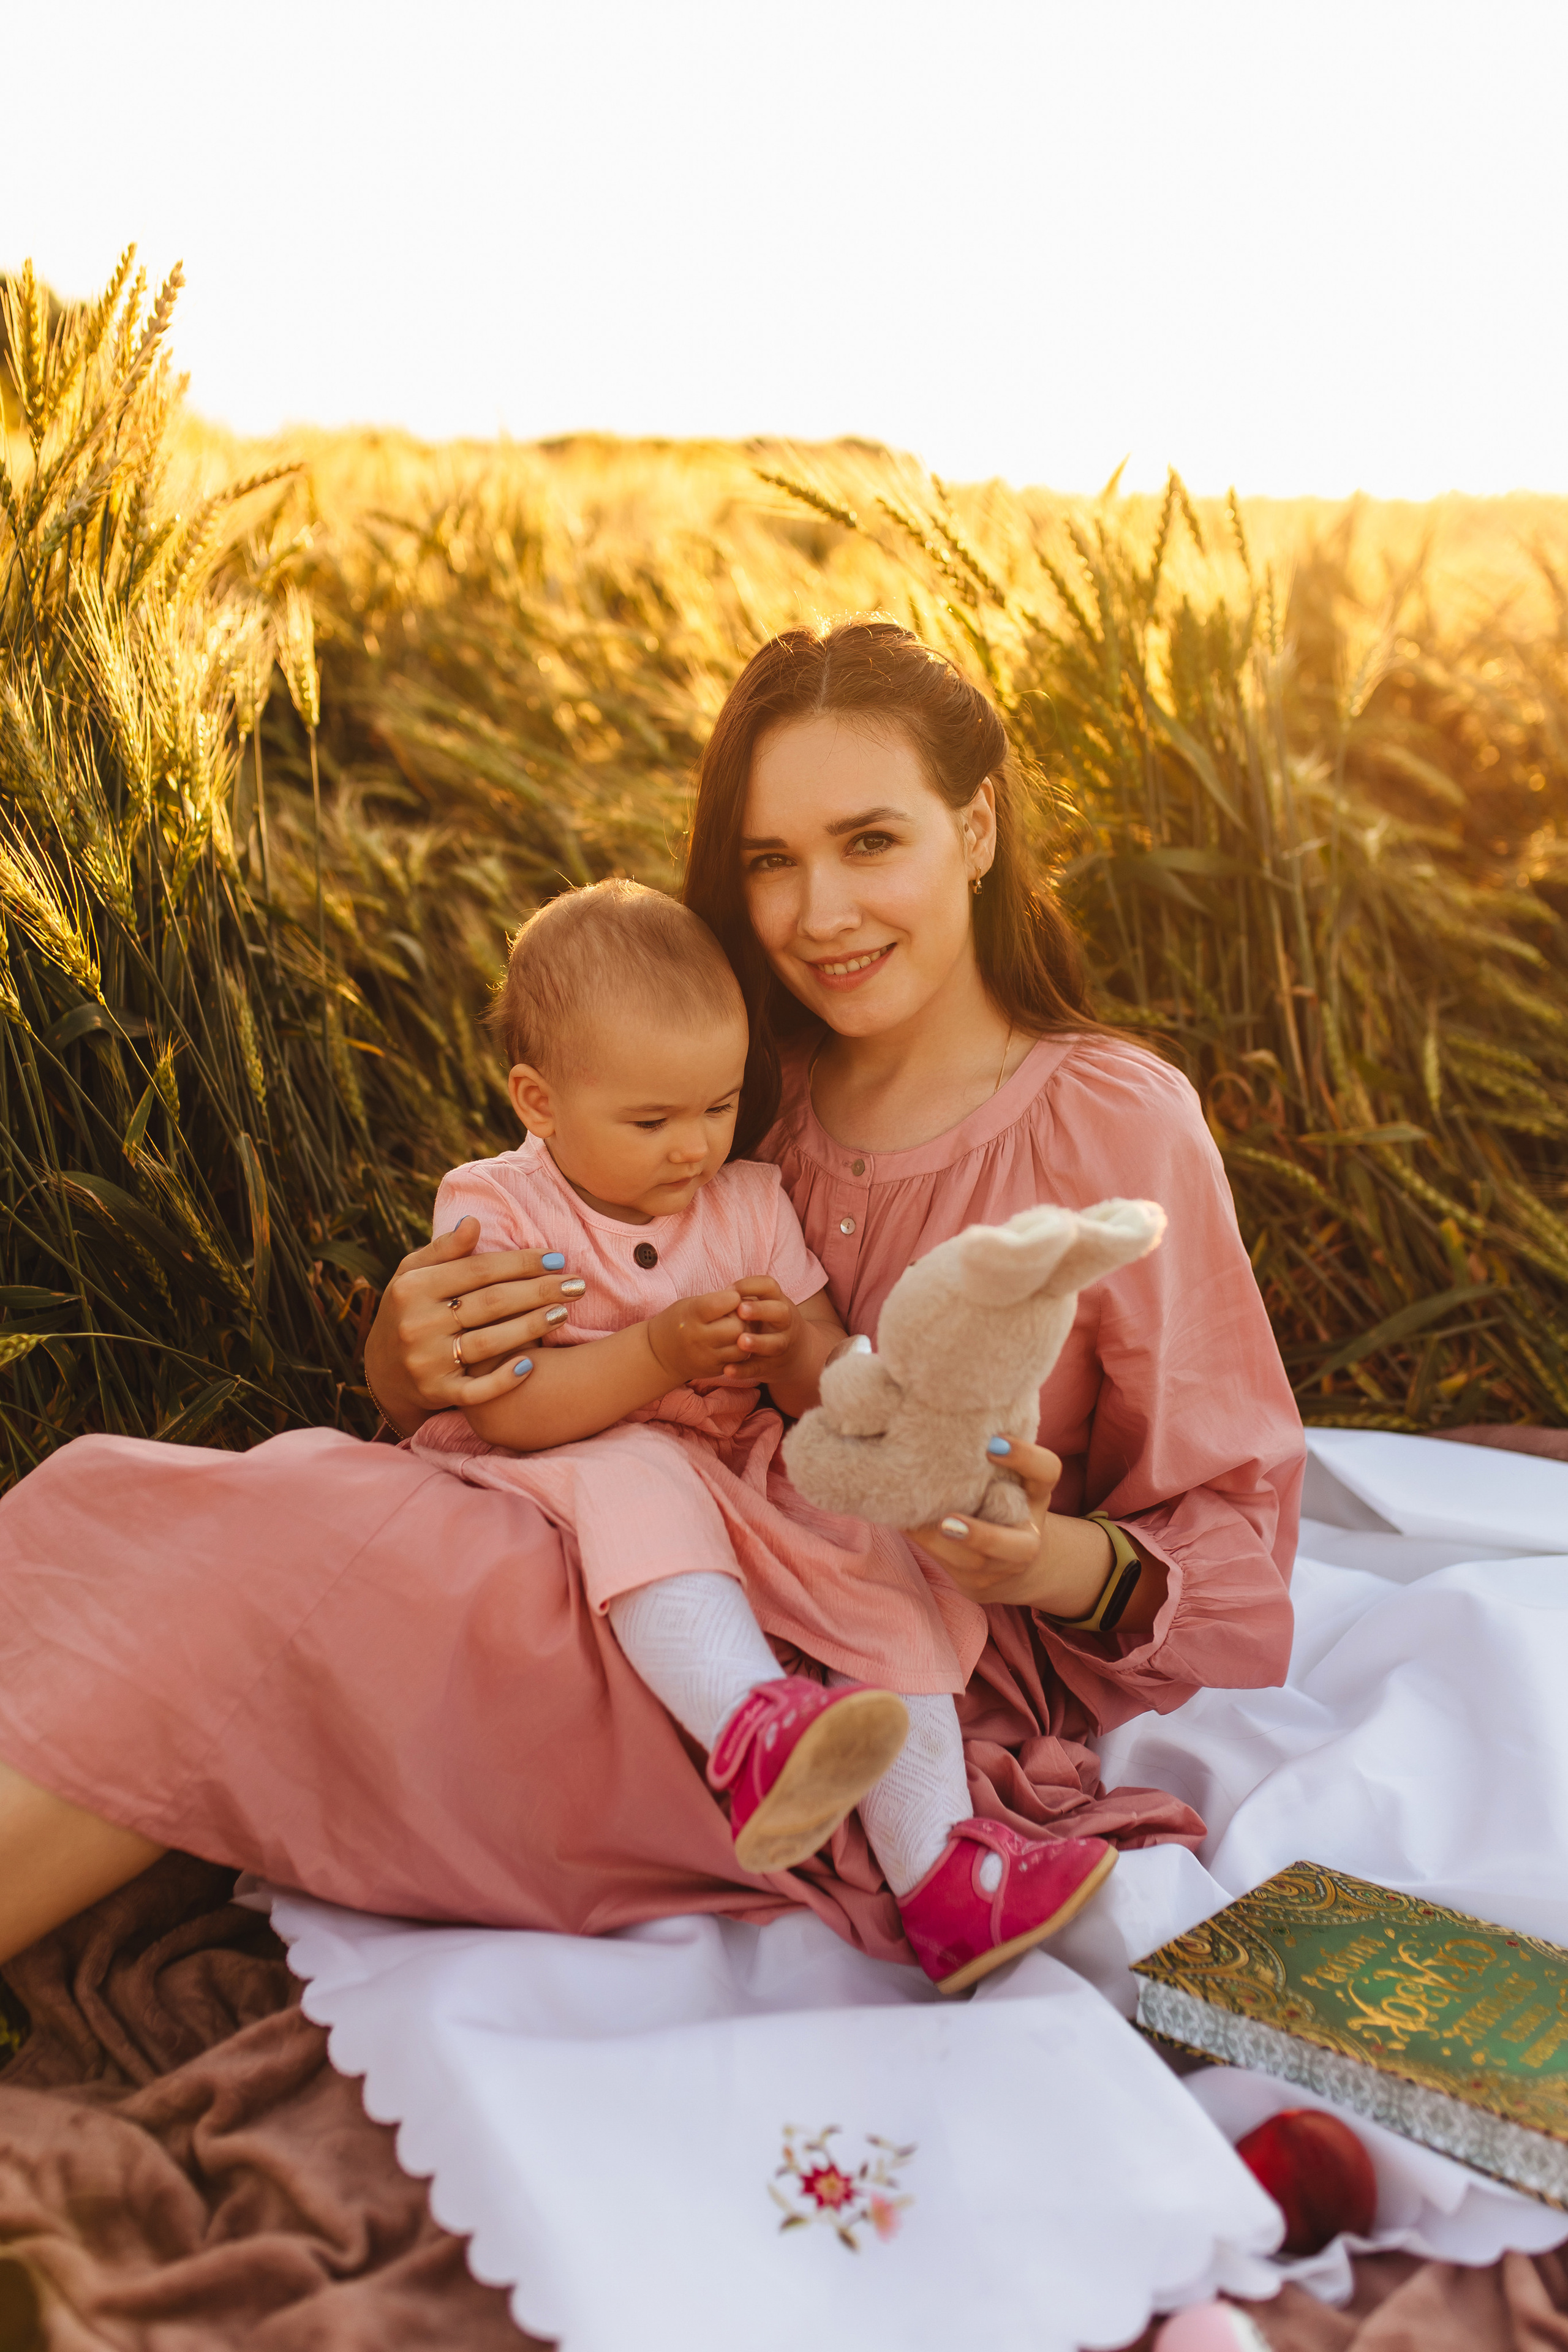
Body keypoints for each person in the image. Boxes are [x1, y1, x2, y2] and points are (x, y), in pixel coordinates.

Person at [0, 617, 1302, 1973]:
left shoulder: (1113, 1125)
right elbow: (555, 1286)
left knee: (259, 1576)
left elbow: (1231, 1528)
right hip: (614, 1542)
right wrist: (407, 1361)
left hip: (858, 1653)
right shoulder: (727, 1080)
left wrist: (1046, 1558)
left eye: (870, 842)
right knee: (215, 1532)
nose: (816, 913)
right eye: (768, 861)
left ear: (974, 828)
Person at [411, 875, 1117, 1991]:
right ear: (538, 1101)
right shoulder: (501, 1208)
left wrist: (794, 1346)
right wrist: (652, 1358)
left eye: (717, 1105)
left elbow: (827, 1367)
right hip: (571, 1462)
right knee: (640, 1472)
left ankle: (939, 1874)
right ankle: (758, 1733)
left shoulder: (746, 1200)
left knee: (877, 1546)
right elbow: (507, 1403)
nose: (694, 1146)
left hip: (734, 1465)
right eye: (651, 1120)